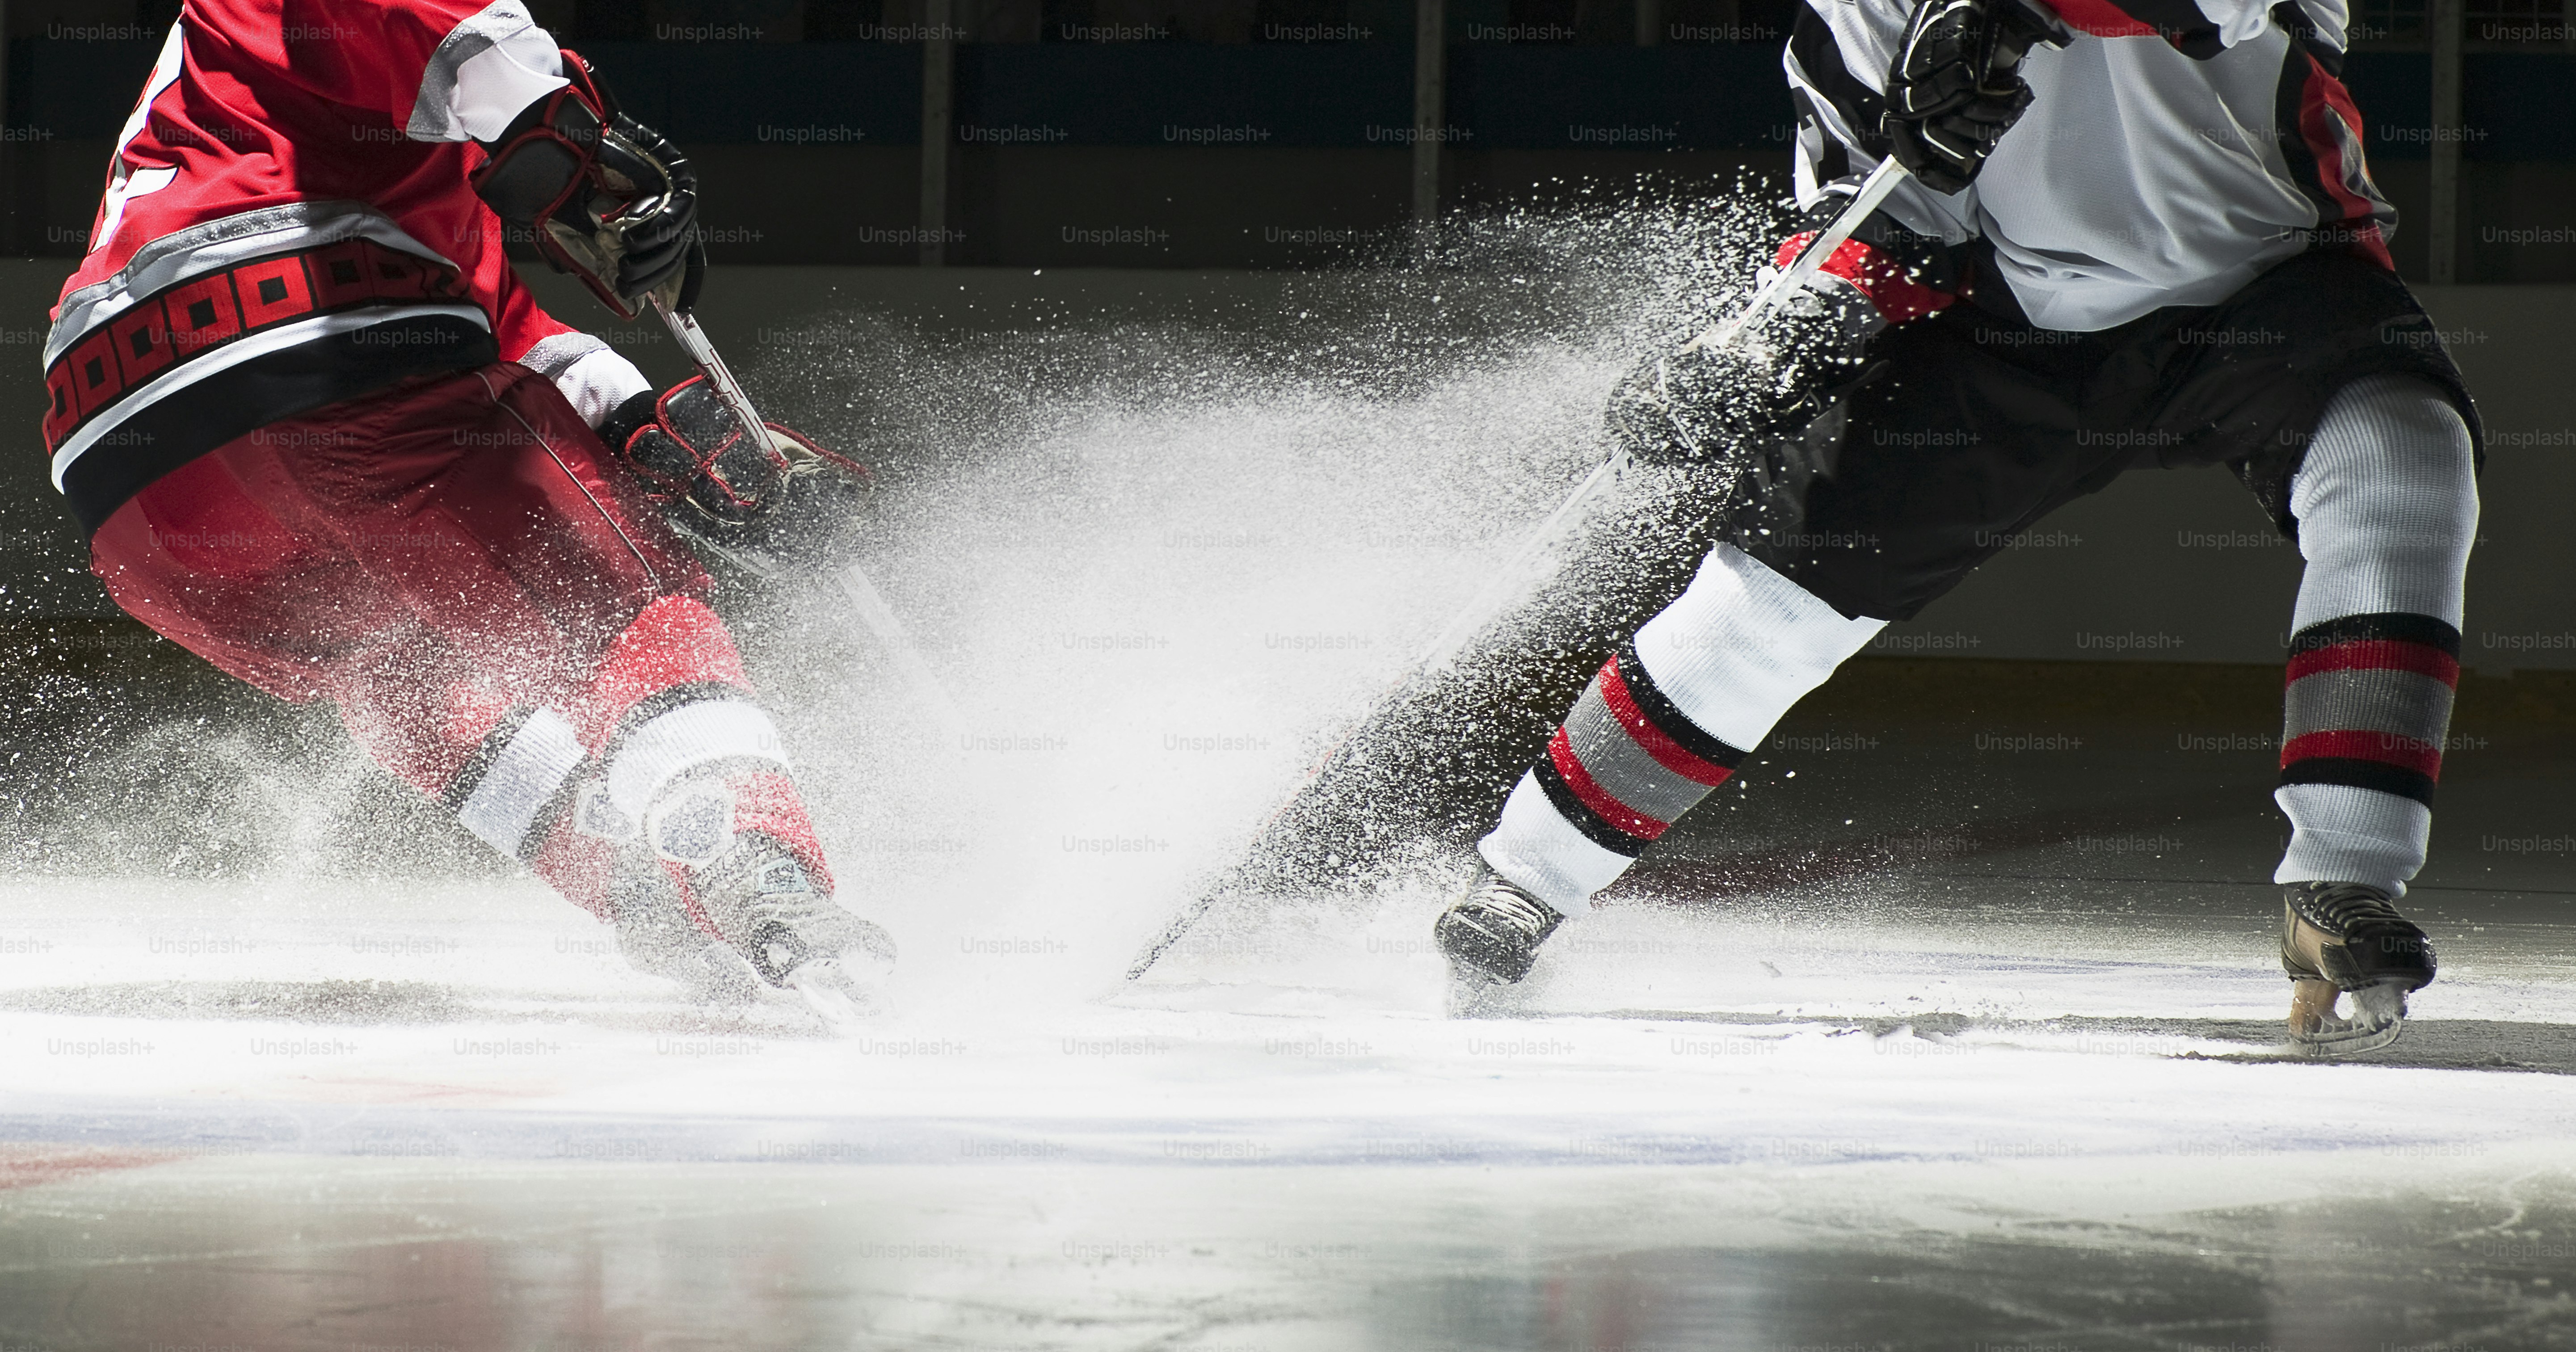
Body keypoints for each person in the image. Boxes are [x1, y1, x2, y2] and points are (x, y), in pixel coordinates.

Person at [1432, 0, 2475, 1053]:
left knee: (2400, 461)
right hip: (2011, 324)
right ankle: (1526, 876)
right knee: (1770, 608)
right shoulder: (1850, 16)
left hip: (2279, 281)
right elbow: (1880, 229)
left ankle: (2341, 877)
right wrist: (1765, 349)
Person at [42, 0, 891, 1017]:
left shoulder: (296, 145)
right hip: (318, 351)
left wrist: (649, 429)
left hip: (132, 487)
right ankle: (763, 873)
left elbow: (507, 325)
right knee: (625, 612)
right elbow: (482, 60)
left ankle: (645, 889)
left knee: (399, 671)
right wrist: (592, 157)